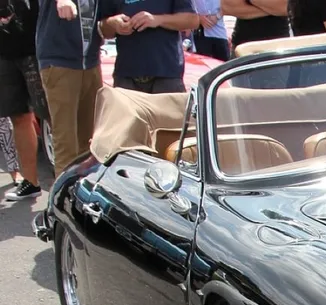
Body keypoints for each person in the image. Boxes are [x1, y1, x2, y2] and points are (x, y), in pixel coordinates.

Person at [36, 0, 104, 173]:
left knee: (91, 143)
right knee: (66, 143)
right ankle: (64, 190)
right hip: (60, 61)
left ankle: (84, 188)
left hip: (91, 60)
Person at [99, 0, 199, 93]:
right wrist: (112, 23)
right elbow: (102, 29)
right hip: (126, 75)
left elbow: (192, 20)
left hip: (166, 74)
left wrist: (157, 20)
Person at [0, 0, 45, 200]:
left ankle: (67, 183)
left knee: (52, 116)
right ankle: (31, 181)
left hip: (37, 47)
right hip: (5, 51)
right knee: (18, 116)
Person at [222, 0, 288, 48]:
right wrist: (275, 10)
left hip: (280, 45)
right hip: (243, 47)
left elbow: (285, 7)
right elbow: (227, 7)